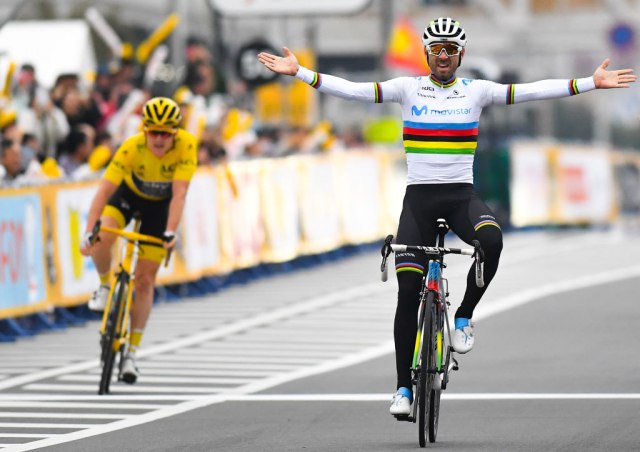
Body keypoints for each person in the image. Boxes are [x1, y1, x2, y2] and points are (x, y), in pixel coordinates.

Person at [257, 17, 636, 416]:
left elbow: (532, 91)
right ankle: (403, 389)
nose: (443, 56)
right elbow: (353, 90)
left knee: (492, 241)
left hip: (460, 201)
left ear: (461, 55)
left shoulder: (477, 91)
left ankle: (464, 316)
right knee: (408, 292)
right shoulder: (407, 88)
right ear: (426, 53)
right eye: (436, 49)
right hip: (418, 204)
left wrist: (589, 82)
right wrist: (300, 72)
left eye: (450, 50)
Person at [80, 97, 198, 383]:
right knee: (103, 236)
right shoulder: (131, 147)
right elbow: (104, 191)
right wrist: (89, 231)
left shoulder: (187, 146)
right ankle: (105, 286)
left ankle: (131, 354)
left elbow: (180, 194)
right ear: (144, 130)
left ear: (176, 132)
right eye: (153, 132)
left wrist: (170, 231)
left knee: (145, 281)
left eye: (165, 134)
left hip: (160, 207)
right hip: (128, 196)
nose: (159, 139)